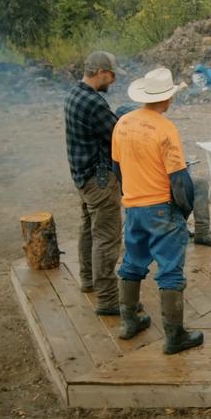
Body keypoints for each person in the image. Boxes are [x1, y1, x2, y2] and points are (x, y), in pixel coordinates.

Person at [111, 68, 204, 355]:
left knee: (132, 263)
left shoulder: (123, 123)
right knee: (170, 272)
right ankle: (174, 336)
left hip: (133, 206)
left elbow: (118, 168)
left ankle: (129, 322)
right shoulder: (165, 129)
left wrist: (132, 193)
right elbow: (179, 180)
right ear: (169, 98)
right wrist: (184, 211)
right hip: (161, 208)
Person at [64, 51, 127, 316]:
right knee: (107, 238)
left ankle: (88, 280)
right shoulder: (94, 104)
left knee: (89, 230)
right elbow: (119, 135)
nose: (113, 81)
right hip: (99, 180)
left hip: (82, 177)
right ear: (101, 73)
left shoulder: (74, 95)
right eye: (112, 76)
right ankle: (108, 300)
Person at [115, 104, 211, 248]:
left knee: (198, 182)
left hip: (139, 189)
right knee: (187, 187)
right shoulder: (138, 133)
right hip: (151, 190)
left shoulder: (122, 133)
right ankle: (186, 226)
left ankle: (200, 230)